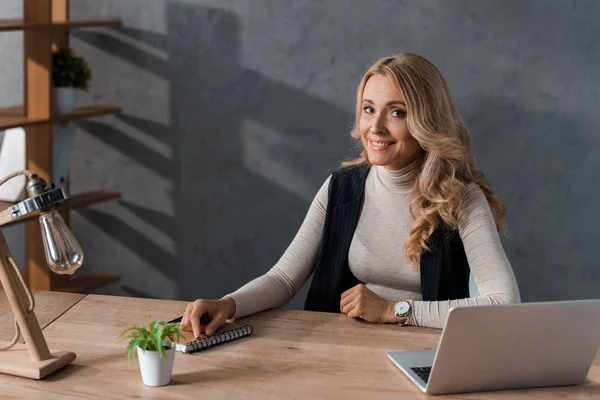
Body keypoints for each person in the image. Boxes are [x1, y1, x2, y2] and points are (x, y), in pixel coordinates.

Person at [180, 53, 520, 338]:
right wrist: (228, 304)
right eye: (369, 109)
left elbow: (504, 305)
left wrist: (393, 311)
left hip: (428, 357)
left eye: (397, 112)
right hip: (344, 348)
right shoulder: (340, 188)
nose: (376, 127)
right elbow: (283, 279)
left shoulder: (461, 200)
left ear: (426, 121)